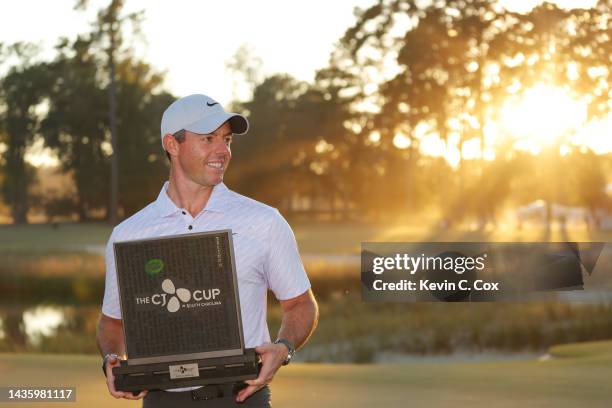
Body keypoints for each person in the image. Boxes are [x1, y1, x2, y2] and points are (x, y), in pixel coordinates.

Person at [97, 94, 319, 407]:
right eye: (208, 139)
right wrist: (111, 359)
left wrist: (283, 348)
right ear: (172, 145)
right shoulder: (129, 234)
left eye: (227, 140)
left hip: (241, 398)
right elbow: (112, 323)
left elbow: (300, 304)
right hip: (163, 401)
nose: (223, 151)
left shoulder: (264, 221)